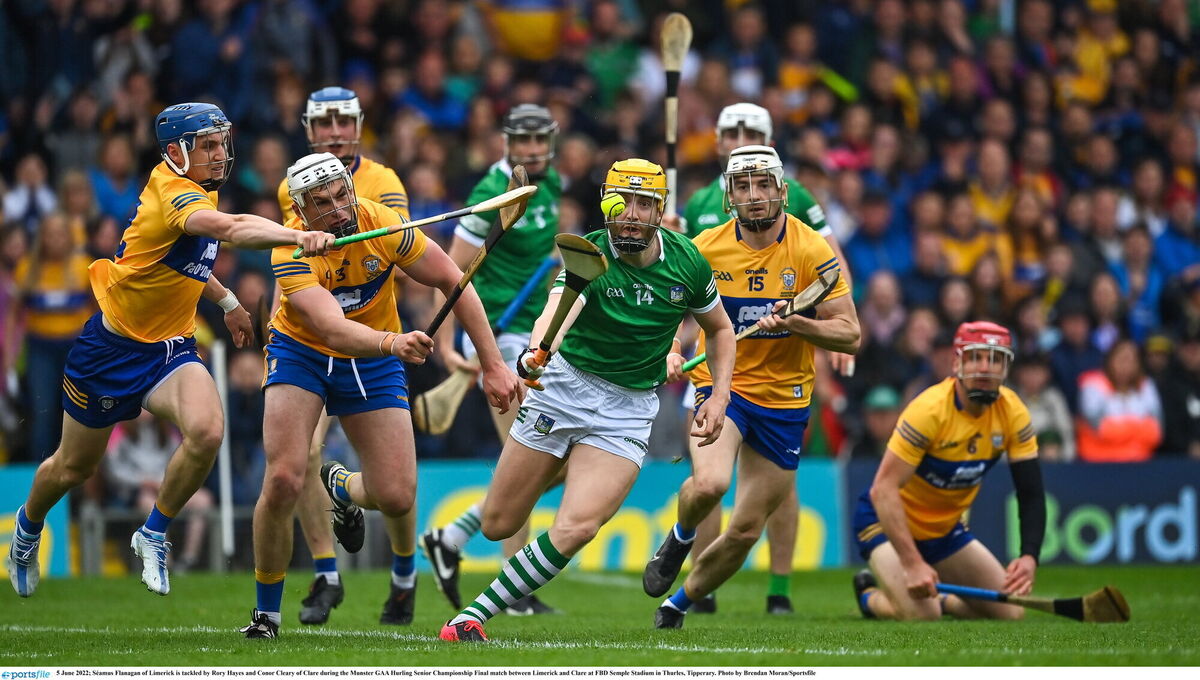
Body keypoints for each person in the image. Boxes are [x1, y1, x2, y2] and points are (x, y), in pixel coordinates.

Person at [6, 102, 333, 599]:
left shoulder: (202, 186)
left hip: (170, 347)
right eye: (208, 145)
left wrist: (226, 301)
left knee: (207, 432)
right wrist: (297, 236)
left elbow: (186, 262)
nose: (220, 153)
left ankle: (153, 532)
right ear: (177, 151)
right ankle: (27, 530)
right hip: (110, 350)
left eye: (221, 142)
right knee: (73, 467)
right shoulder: (173, 192)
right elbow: (227, 230)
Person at [438, 158, 736, 642]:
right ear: (608, 204)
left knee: (577, 526)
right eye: (625, 202)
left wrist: (719, 395)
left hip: (628, 410)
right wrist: (539, 351)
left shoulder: (687, 262)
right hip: (563, 388)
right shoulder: (589, 254)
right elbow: (560, 307)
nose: (633, 214)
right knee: (497, 524)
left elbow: (720, 330)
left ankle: (471, 617)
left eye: (646, 204)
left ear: (661, 211)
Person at [240, 152, 521, 639]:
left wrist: (493, 365)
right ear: (301, 211)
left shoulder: (383, 223)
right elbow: (331, 327)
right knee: (284, 478)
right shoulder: (289, 249)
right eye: (321, 203)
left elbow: (453, 279)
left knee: (395, 496)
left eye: (340, 193)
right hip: (303, 354)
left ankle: (342, 486)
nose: (336, 208)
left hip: (372, 358)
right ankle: (267, 613)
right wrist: (395, 343)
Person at [644, 146, 860, 629]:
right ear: (728, 196)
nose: (754, 196)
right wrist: (673, 350)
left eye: (763, 185)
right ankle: (680, 535)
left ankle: (677, 604)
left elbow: (850, 332)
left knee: (744, 530)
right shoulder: (705, 247)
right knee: (712, 483)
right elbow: (670, 318)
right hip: (722, 385)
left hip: (786, 401)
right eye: (743, 187)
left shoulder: (811, 251)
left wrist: (799, 323)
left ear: (782, 191)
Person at [272, 86, 417, 627]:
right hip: (312, 338)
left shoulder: (384, 185)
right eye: (324, 122)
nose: (334, 131)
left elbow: (400, 260)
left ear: (358, 125)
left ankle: (404, 574)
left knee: (399, 484)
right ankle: (327, 572)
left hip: (380, 333)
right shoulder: (294, 185)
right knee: (301, 456)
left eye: (343, 120)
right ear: (309, 130)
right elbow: (292, 262)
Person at [421, 103, 566, 616]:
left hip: (537, 337)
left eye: (538, 141)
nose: (531, 150)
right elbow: (451, 272)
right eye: (522, 141)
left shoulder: (551, 187)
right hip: (497, 338)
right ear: (506, 144)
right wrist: (448, 342)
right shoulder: (490, 196)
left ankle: (451, 536)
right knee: (525, 456)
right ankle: (515, 592)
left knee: (557, 462)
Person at [850, 321, 1046, 621]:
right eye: (976, 357)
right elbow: (883, 490)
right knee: (922, 615)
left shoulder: (1014, 412)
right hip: (886, 525)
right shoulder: (928, 411)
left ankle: (943, 600)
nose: (985, 368)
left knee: (1010, 612)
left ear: (1006, 367)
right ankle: (869, 597)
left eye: (995, 359)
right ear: (957, 363)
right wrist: (912, 563)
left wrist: (1030, 555)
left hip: (943, 531)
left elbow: (1030, 492)